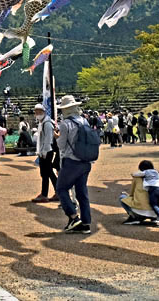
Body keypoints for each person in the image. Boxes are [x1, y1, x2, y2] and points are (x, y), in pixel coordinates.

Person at [56, 95, 97, 234]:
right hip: (85, 161)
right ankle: (86, 223)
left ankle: (73, 217)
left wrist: (57, 137)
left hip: (71, 161)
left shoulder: (65, 124)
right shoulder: (84, 121)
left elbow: (61, 146)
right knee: (82, 192)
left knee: (61, 189)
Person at [32, 103, 59, 203]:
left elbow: (48, 139)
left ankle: (45, 194)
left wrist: (43, 152)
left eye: (40, 111)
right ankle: (55, 192)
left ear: (43, 112)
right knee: (47, 173)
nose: (38, 113)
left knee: (47, 173)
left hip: (46, 151)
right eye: (36, 112)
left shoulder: (47, 123)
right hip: (44, 151)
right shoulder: (42, 122)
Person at [134, 160, 159, 227]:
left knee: (154, 204)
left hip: (154, 190)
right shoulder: (156, 172)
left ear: (142, 168)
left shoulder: (145, 172)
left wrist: (133, 174)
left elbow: (136, 174)